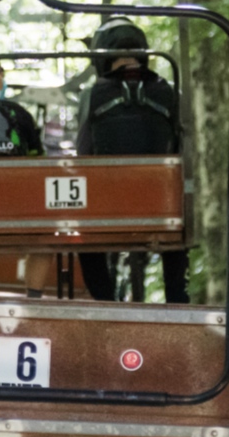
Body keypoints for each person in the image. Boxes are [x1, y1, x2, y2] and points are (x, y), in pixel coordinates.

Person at [75, 17, 190, 303]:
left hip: (106, 205)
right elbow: (181, 146)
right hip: (160, 204)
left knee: (84, 237)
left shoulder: (92, 94)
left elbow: (83, 152)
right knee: (179, 231)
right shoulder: (169, 92)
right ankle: (177, 299)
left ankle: (104, 301)